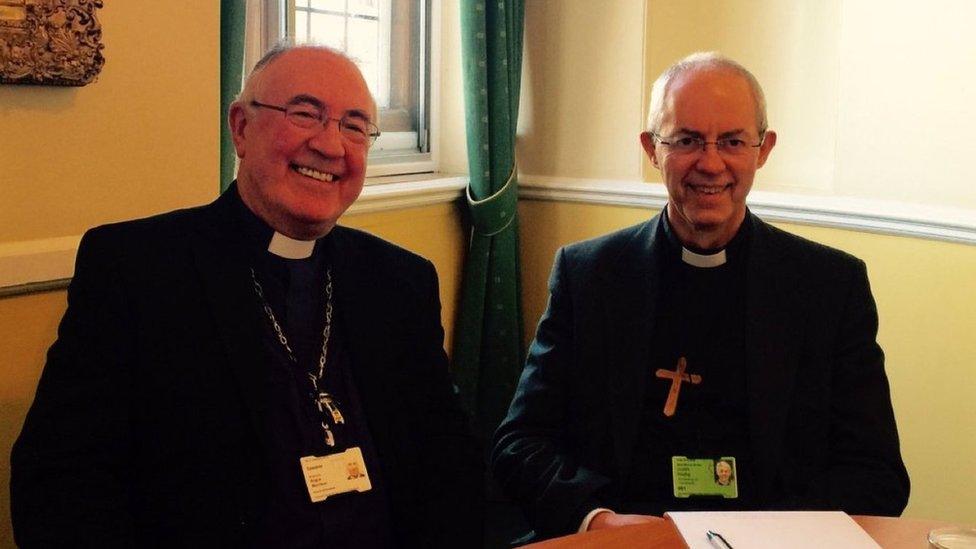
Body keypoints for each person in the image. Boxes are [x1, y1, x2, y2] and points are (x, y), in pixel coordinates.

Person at [11, 44, 483, 548]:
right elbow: (61, 484)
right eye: (305, 114)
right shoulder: (138, 270)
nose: (331, 146)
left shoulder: (400, 281)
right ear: (240, 127)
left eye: (354, 126)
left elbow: (447, 464)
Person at [489, 52, 909, 541]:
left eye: (732, 141)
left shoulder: (830, 287)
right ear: (652, 148)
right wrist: (600, 522)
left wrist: (762, 538)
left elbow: (876, 474)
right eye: (686, 140)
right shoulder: (590, 276)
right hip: (626, 537)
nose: (710, 164)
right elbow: (519, 444)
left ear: (763, 148)